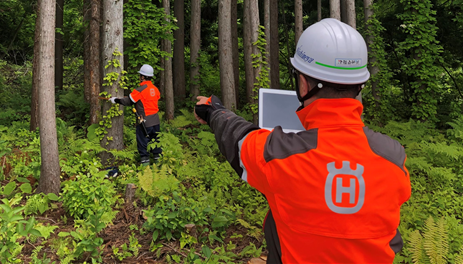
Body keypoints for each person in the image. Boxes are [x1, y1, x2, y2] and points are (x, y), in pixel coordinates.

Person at [194, 18, 411, 264]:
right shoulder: (394, 157)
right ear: (360, 84)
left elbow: (238, 138)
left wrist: (213, 110)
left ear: (304, 83)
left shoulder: (277, 155)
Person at [110, 64, 162, 166]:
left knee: (143, 144)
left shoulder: (140, 89)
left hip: (144, 121)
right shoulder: (155, 89)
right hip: (156, 121)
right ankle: (159, 168)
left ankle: (145, 170)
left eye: (140, 75)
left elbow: (129, 101)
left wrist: (115, 100)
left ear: (143, 77)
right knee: (156, 143)